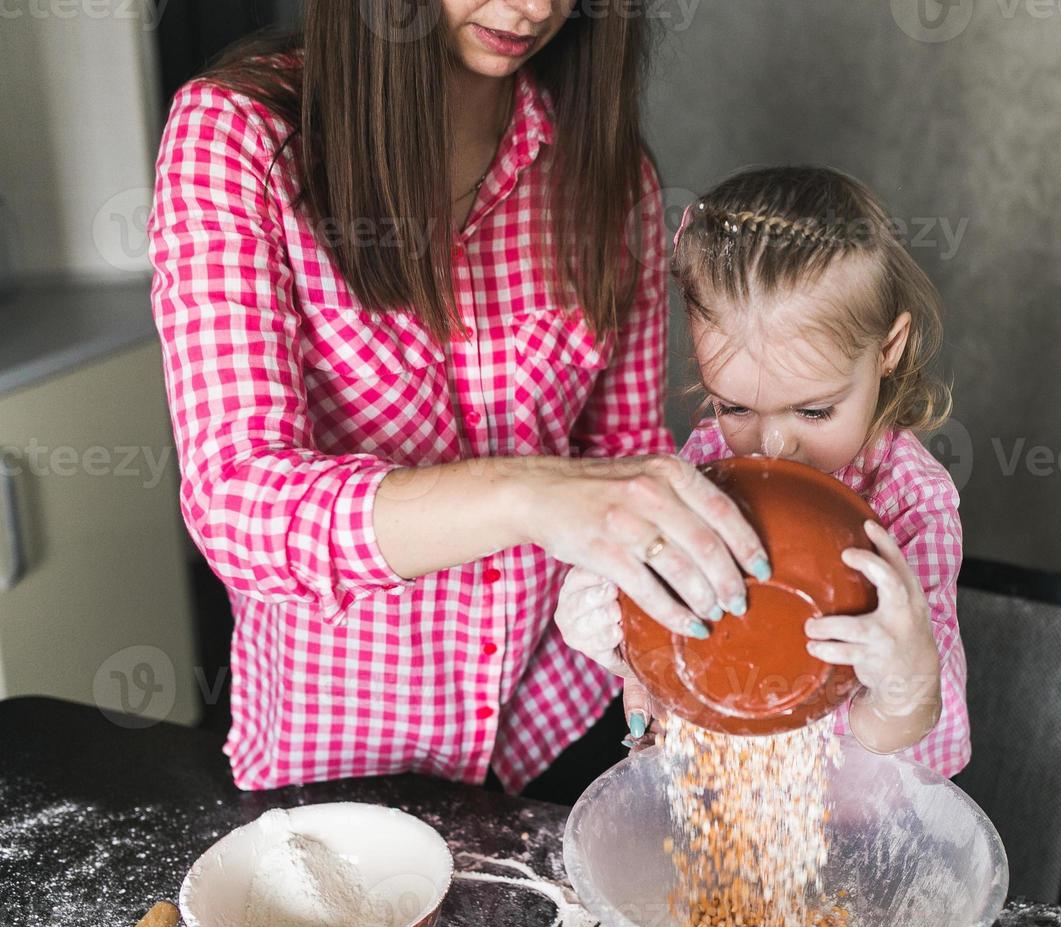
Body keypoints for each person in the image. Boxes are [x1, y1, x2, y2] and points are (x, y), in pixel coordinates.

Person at [146, 0, 770, 803]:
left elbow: (621, 451)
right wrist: (520, 493)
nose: (534, 8)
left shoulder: (609, 172)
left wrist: (653, 645)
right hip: (345, 749)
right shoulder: (241, 136)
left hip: (560, 713)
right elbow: (239, 502)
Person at [556, 166, 970, 774]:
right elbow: (671, 653)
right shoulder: (705, 465)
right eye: (736, 407)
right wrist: (615, 633)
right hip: (711, 795)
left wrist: (904, 682)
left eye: (813, 409)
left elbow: (914, 743)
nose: (773, 447)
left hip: (847, 817)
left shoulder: (912, 506)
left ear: (887, 350)